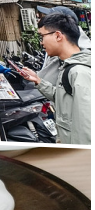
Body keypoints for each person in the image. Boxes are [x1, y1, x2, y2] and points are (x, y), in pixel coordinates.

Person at [17, 10, 90, 145]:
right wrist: (38, 81)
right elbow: (65, 99)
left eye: (42, 36)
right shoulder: (67, 66)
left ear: (58, 36)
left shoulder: (78, 72)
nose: (41, 43)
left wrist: (80, 157)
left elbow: (86, 124)